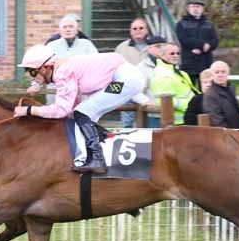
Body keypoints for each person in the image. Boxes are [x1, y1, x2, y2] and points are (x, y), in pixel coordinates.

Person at [15, 44, 143, 174]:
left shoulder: (63, 73)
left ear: (44, 68)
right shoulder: (61, 69)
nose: (31, 77)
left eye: (32, 72)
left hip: (125, 80)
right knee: (81, 112)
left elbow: (61, 111)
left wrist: (29, 110)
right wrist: (37, 83)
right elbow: (71, 107)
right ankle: (101, 140)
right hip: (125, 76)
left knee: (82, 112)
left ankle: (97, 159)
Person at [120, 34, 165, 128]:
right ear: (149, 48)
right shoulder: (142, 68)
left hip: (172, 113)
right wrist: (147, 102)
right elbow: (134, 91)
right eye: (158, 46)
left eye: (164, 46)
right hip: (152, 114)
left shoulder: (172, 65)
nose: (162, 49)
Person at [149, 42, 199, 125]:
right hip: (177, 122)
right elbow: (165, 100)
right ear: (162, 55)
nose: (175, 55)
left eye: (178, 53)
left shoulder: (179, 73)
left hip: (187, 118)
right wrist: (191, 107)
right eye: (172, 53)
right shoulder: (162, 74)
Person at [176, 0, 219, 87]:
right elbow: (183, 39)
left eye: (198, 7)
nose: (195, 9)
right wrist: (202, 45)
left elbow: (215, 41)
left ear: (202, 9)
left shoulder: (209, 24)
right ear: (188, 8)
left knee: (205, 88)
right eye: (193, 6)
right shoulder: (182, 24)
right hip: (188, 62)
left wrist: (207, 47)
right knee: (188, 89)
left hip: (205, 62)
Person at [203, 61, 239, 129]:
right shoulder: (210, 95)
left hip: (237, 132)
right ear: (212, 75)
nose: (220, 75)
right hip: (224, 136)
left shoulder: (231, 89)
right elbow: (217, 122)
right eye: (217, 72)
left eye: (223, 72)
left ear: (228, 73)